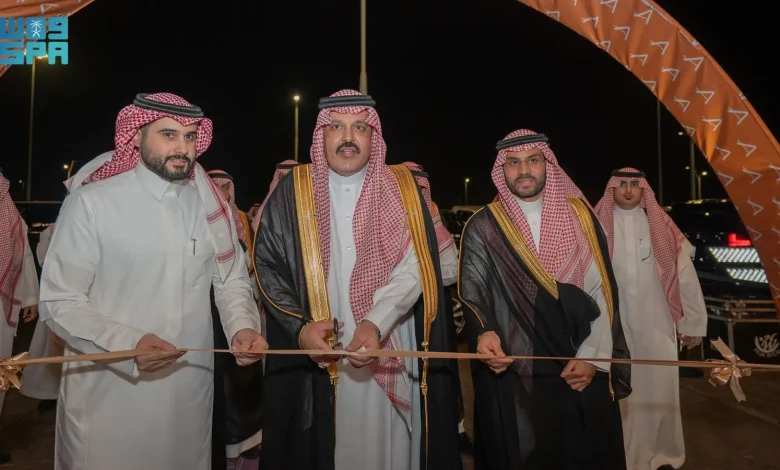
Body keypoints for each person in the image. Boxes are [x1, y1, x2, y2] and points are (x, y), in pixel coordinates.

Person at [38, 92, 267, 470]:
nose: (182, 147)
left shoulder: (208, 206)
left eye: (189, 136)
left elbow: (231, 281)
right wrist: (129, 344)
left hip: (189, 391)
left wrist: (242, 326)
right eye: (168, 134)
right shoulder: (92, 203)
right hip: (110, 390)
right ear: (136, 136)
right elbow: (59, 301)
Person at [254, 89, 462, 470]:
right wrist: (300, 330)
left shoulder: (402, 189)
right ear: (322, 134)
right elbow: (268, 263)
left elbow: (418, 264)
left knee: (386, 449)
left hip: (388, 344)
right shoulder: (294, 190)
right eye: (337, 127)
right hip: (316, 353)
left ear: (373, 135)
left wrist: (375, 321)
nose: (348, 138)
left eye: (359, 128)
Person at [458, 129, 632, 470]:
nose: (524, 170)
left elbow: (602, 291)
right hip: (512, 366)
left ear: (547, 164)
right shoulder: (484, 226)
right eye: (513, 162)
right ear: (502, 169)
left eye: (532, 160)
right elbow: (473, 289)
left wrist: (593, 356)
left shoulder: (580, 217)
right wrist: (484, 332)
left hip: (577, 362)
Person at [594, 168, 707, 470]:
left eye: (635, 184)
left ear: (645, 189)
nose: (628, 190)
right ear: (611, 188)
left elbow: (685, 275)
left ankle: (662, 455)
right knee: (620, 393)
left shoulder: (661, 227)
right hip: (612, 328)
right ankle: (622, 456)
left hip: (656, 326)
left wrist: (692, 322)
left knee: (660, 390)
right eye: (621, 184)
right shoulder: (596, 227)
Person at [21, 152, 113, 411]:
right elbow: (47, 261)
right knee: (57, 351)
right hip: (66, 300)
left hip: (99, 302)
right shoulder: (54, 229)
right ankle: (52, 397)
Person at [207, 168, 264, 469]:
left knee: (241, 380)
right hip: (208, 314)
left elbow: (242, 270)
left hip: (238, 312)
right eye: (215, 186)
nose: (222, 192)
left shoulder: (240, 218)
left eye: (226, 186)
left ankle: (243, 443)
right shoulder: (205, 216)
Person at [0, 174, 39, 466]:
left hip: (0, 308)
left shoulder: (7, 210)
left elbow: (21, 251)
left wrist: (30, 297)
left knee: (1, 372)